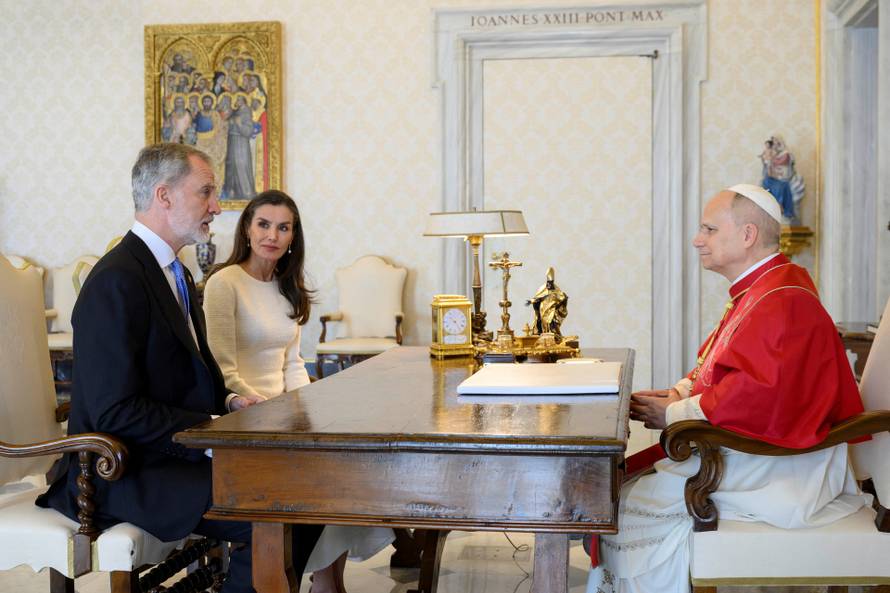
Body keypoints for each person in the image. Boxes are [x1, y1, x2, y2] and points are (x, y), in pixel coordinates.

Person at [37, 143, 322, 593]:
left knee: (310, 494)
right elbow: (113, 410)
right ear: (164, 195)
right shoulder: (116, 280)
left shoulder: (177, 273)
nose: (216, 206)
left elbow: (188, 376)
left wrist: (229, 401)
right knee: (279, 510)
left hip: (170, 454)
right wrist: (206, 431)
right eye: (206, 192)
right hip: (123, 470)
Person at [586, 184, 869, 593]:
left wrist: (674, 414)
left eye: (710, 229)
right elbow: (719, 364)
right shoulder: (761, 288)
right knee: (624, 492)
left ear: (748, 234)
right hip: (757, 449)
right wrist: (680, 394)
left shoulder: (783, 299)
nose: (697, 240)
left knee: (632, 506)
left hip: (783, 469)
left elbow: (761, 395)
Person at [203, 190, 394, 593]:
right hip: (244, 418)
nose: (272, 235)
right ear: (247, 228)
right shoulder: (224, 283)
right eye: (263, 224)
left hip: (284, 417)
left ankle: (328, 581)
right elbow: (222, 370)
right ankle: (317, 582)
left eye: (283, 227)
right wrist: (270, 411)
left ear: (293, 236)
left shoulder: (287, 285)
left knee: (346, 464)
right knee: (322, 478)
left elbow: (293, 364)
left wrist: (308, 409)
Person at [526, 266, 568, 338]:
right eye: (549, 282)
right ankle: (544, 333)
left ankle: (553, 334)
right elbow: (537, 297)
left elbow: (561, 297)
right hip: (543, 309)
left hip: (553, 309)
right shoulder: (542, 288)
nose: (550, 285)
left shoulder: (556, 288)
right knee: (543, 322)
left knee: (552, 322)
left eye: (551, 282)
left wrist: (564, 299)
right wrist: (533, 301)